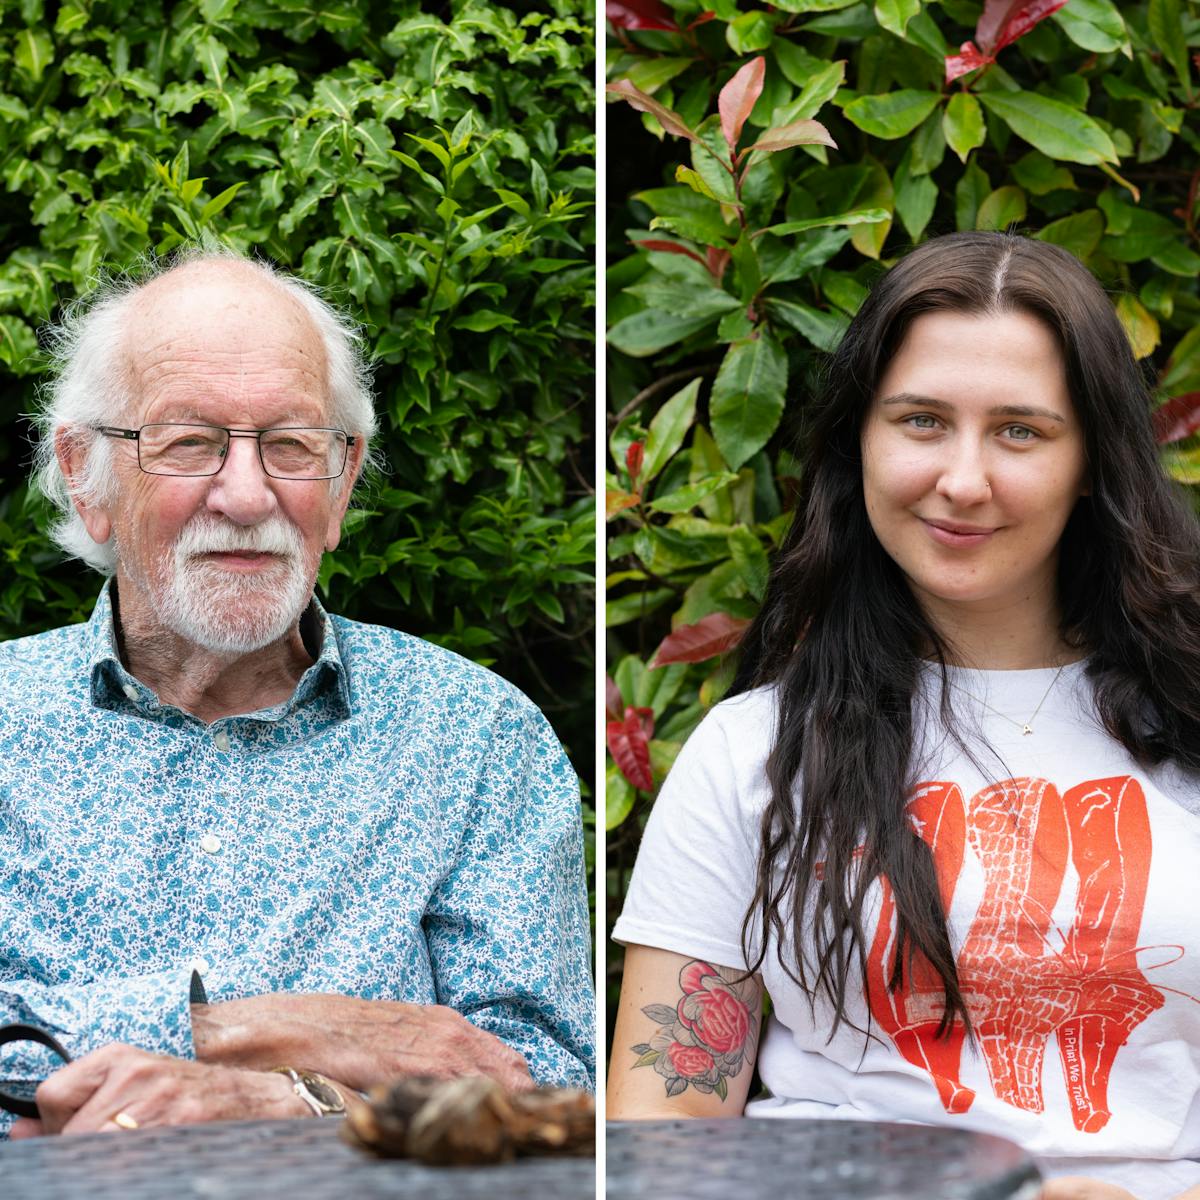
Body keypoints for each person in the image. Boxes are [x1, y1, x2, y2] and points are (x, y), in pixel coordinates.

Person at [609, 232, 1200, 1200]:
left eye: (1020, 431)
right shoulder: (752, 751)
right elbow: (661, 1133)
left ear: (1091, 459)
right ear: (862, 441)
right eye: (922, 421)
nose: (963, 480)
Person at [0, 248, 594, 1138]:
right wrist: (271, 1030)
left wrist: (290, 1101)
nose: (247, 495)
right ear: (90, 477)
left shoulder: (475, 739)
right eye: (190, 441)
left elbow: (549, 1099)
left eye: (290, 445)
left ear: (343, 480)